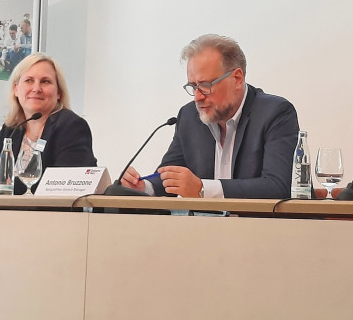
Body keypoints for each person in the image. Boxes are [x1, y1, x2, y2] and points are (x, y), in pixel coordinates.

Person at [120, 34, 300, 199]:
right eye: (193, 86)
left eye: (205, 85)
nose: (198, 97)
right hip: (201, 230)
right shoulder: (189, 116)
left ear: (237, 78)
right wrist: (144, 187)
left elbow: (278, 186)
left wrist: (202, 189)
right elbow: (171, 176)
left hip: (257, 229)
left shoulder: (275, 113)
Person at [0, 53, 97, 194]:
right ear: (16, 89)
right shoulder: (11, 129)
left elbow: (63, 185)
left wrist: (7, 185)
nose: (36, 89)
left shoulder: (71, 126)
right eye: (29, 81)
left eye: (45, 81)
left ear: (59, 92)